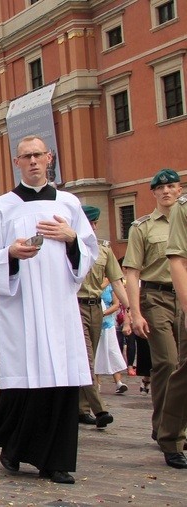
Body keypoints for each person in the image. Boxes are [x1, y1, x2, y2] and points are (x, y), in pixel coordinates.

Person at [0, 135, 98, 485]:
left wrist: (72, 239)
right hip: (22, 309)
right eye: (25, 156)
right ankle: (14, 446)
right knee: (27, 382)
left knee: (61, 380)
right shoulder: (2, 207)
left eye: (38, 155)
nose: (32, 161)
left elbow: (89, 252)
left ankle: (55, 462)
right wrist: (9, 254)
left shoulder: (69, 203)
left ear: (49, 158)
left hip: (59, 308)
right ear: (16, 162)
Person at [123, 169, 183, 443]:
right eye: (161, 188)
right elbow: (132, 273)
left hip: (183, 297)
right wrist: (134, 313)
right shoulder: (142, 227)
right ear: (154, 193)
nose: (167, 191)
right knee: (167, 362)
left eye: (172, 186)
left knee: (182, 364)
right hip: (156, 297)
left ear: (179, 190)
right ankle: (165, 429)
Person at [76, 205, 131, 427]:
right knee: (86, 359)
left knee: (89, 359)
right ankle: (100, 410)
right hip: (75, 307)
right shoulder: (69, 248)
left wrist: (130, 310)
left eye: (92, 224)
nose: (90, 227)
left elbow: (117, 281)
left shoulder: (104, 251)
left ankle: (81, 409)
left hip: (96, 308)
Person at [159, 192, 187, 468]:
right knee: (183, 369)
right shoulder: (184, 208)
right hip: (168, 298)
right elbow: (177, 259)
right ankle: (171, 437)